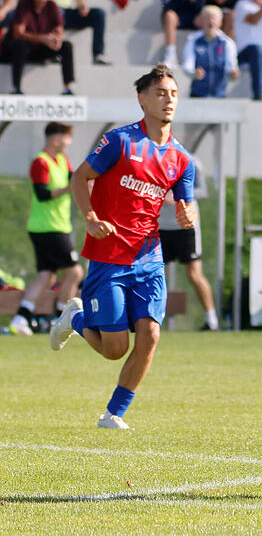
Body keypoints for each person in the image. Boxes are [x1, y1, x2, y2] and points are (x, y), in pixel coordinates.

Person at [50, 64, 197, 430]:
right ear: (142, 99)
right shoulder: (120, 141)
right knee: (114, 349)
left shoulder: (182, 158)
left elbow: (185, 203)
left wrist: (187, 214)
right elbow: (79, 177)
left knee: (150, 334)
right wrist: (90, 218)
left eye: (174, 94)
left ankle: (114, 413)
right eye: (161, 93)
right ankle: (76, 317)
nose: (168, 100)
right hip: (109, 258)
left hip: (149, 258)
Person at [8, 122, 83, 337]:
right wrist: (69, 188)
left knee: (46, 277)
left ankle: (21, 319)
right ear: (55, 139)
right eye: (67, 138)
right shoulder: (40, 163)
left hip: (53, 227)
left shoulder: (62, 160)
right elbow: (42, 194)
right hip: (50, 228)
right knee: (75, 272)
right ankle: (62, 320)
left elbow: (74, 180)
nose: (69, 142)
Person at [158, 160, 219, 331]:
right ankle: (153, 318)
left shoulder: (190, 161)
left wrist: (178, 196)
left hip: (185, 226)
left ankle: (212, 320)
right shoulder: (154, 159)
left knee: (194, 274)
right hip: (160, 226)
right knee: (157, 275)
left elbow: (201, 190)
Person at [3, 0, 75, 95]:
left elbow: (60, 31)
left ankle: (67, 88)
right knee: (21, 45)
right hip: (17, 51)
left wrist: (57, 40)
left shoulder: (52, 6)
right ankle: (16, 88)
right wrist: (42, 38)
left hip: (38, 50)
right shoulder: (24, 5)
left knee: (66, 45)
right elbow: (17, 33)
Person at [182, 5, 240, 97]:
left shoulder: (227, 43)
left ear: (220, 22)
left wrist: (233, 73)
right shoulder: (193, 41)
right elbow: (187, 65)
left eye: (214, 18)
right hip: (198, 95)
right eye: (207, 18)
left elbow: (231, 65)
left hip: (220, 96)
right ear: (201, 21)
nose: (211, 21)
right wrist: (194, 73)